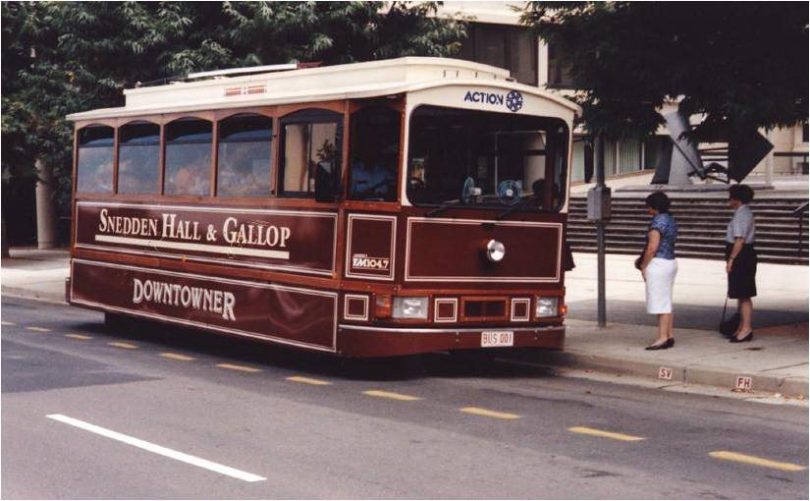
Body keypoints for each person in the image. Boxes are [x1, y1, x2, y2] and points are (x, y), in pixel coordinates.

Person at [639, 191, 678, 350]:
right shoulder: (670, 219)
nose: (648, 210)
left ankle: (662, 338)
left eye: (649, 207)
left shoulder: (657, 223)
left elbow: (652, 247)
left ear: (654, 207)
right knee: (666, 300)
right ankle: (669, 335)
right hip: (671, 262)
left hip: (658, 264)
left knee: (659, 302)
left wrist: (643, 265)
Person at [725, 184, 757, 343]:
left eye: (730, 197)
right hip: (745, 253)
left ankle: (746, 328)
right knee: (741, 292)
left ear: (736, 199)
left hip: (741, 255)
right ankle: (742, 326)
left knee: (744, 293)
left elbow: (739, 239)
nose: (729, 200)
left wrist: (731, 259)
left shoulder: (741, 215)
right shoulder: (743, 213)